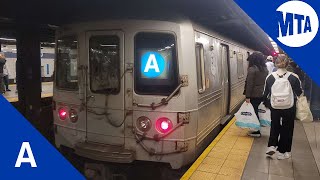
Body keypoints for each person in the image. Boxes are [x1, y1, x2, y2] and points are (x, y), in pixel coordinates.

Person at [263, 55, 302, 160]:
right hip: (289, 106)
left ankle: (272, 145)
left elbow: (265, 93)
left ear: (276, 63)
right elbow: (299, 92)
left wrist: (266, 104)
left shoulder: (270, 77)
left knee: (275, 125)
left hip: (275, 106)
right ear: (287, 63)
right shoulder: (294, 77)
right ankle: (283, 152)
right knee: (288, 128)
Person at [244, 52, 269, 137]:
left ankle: (256, 131)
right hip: (262, 93)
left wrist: (247, 96)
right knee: (258, 111)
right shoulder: (265, 69)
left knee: (254, 112)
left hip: (254, 94)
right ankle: (257, 129)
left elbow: (249, 84)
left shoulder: (252, 69)